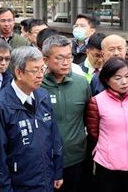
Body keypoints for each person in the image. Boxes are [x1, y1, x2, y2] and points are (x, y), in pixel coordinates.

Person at [0, 46, 63, 191]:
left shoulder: (43, 96)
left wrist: (58, 171)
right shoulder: (0, 106)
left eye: (42, 69)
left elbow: (54, 136)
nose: (40, 75)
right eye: (35, 70)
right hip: (20, 183)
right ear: (19, 73)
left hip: (46, 177)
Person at [86, 57, 128, 192]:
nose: (124, 82)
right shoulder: (96, 102)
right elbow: (93, 132)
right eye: (117, 78)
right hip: (108, 166)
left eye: (127, 76)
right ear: (106, 80)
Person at [41, 35, 91, 192]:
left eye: (69, 57)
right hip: (45, 160)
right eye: (59, 58)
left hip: (76, 158)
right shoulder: (37, 86)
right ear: (45, 59)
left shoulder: (81, 83)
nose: (66, 62)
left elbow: (89, 119)